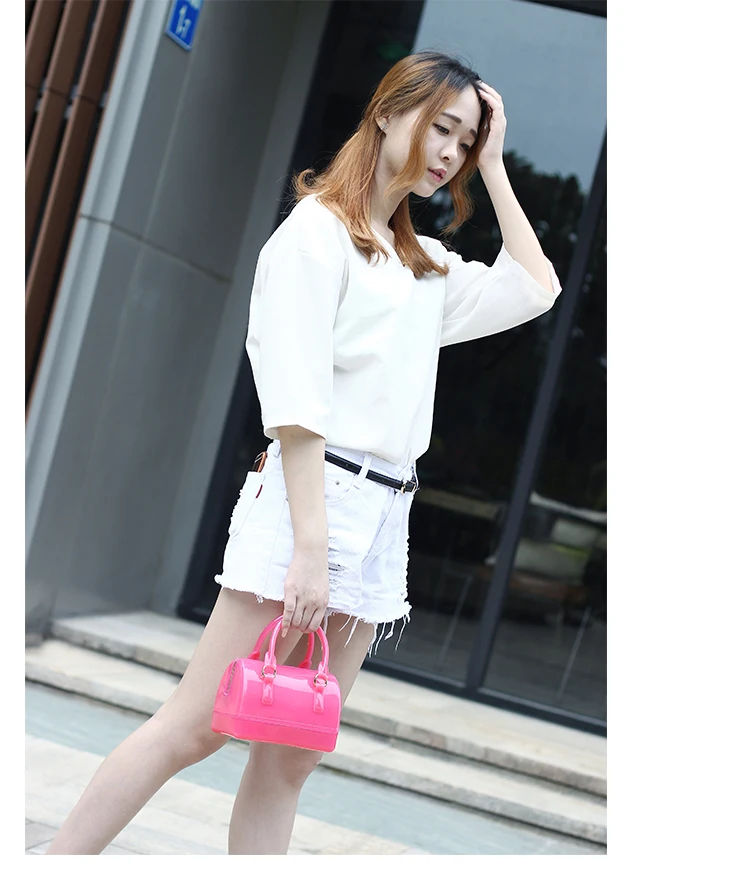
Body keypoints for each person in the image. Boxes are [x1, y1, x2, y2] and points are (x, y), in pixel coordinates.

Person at [45, 50, 561, 855]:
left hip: (384, 512)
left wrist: (496, 166)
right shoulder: (315, 235)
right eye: (442, 128)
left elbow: (536, 286)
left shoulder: (422, 266)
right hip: (310, 505)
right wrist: (312, 549)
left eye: (465, 140)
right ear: (386, 112)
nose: (451, 152)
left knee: (292, 754)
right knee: (197, 725)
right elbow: (296, 406)